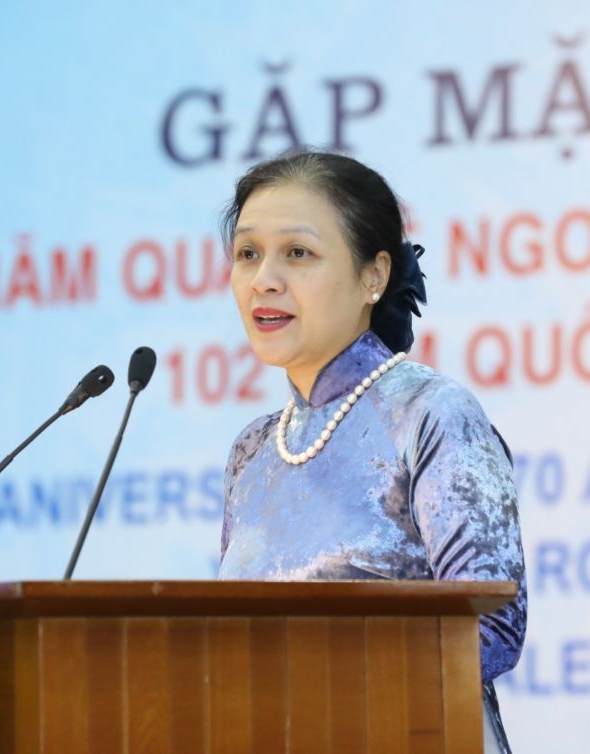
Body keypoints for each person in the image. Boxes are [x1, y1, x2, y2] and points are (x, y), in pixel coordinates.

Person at [217, 149, 527, 753]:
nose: (264, 279)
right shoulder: (252, 452)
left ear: (373, 276)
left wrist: (312, 690)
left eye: (297, 253)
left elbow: (492, 627)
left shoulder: (430, 414)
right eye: (248, 253)